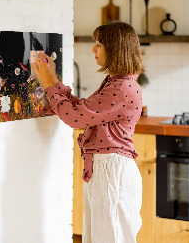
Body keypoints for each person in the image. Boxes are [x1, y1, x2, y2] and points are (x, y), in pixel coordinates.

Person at [32, 21, 144, 243]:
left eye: (99, 44)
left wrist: (47, 85)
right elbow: (83, 110)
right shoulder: (117, 83)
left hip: (112, 172)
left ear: (115, 49)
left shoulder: (121, 88)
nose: (93, 49)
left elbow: (75, 118)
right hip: (107, 170)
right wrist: (53, 81)